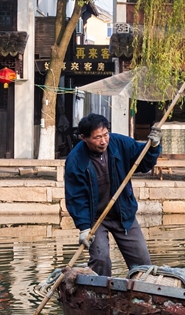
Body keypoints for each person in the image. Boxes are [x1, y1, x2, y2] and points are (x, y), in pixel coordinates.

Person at [65, 113, 161, 276]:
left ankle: (142, 294)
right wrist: (83, 227)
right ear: (84, 138)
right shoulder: (75, 160)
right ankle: (100, 295)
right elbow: (76, 197)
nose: (103, 141)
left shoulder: (120, 143)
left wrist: (153, 146)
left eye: (105, 135)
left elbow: (144, 163)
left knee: (143, 264)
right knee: (100, 261)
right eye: (97, 138)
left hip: (123, 212)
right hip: (96, 219)